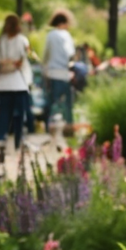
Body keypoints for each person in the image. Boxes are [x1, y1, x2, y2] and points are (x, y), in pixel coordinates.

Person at [0, 13, 33, 164]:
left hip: (4, 83)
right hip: (19, 83)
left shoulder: (0, 41)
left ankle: (2, 144)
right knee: (18, 117)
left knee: (4, 115)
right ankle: (18, 144)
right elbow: (25, 57)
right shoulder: (22, 40)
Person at [42, 10, 77, 148]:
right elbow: (71, 53)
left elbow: (46, 54)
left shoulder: (50, 35)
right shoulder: (66, 35)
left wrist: (45, 67)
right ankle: (68, 130)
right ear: (63, 22)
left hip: (52, 73)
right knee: (67, 105)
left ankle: (48, 128)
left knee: (51, 103)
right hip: (64, 73)